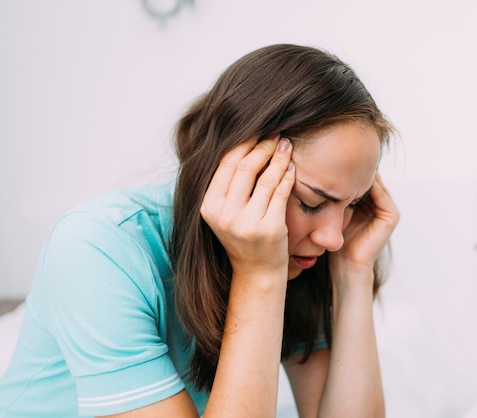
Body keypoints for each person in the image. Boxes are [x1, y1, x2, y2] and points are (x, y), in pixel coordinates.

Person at [0, 43, 399, 417]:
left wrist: (353, 273)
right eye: (312, 202)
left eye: (352, 204)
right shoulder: (96, 249)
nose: (333, 238)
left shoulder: (299, 256)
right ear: (236, 170)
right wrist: (259, 276)